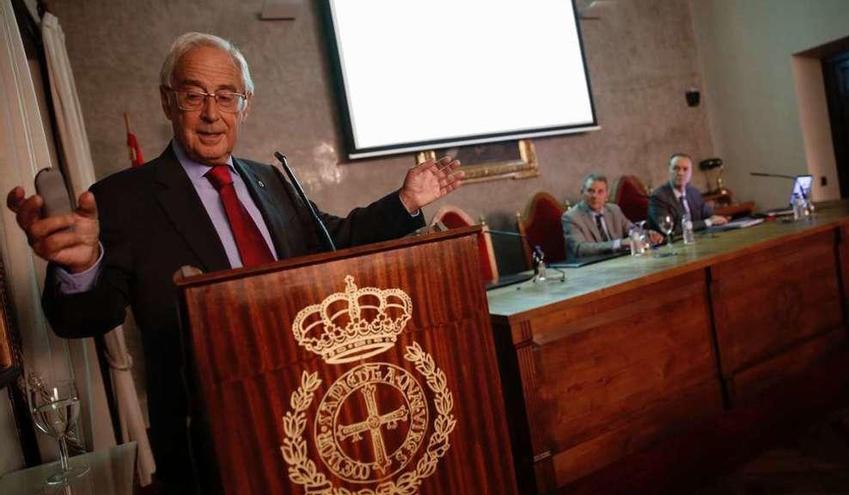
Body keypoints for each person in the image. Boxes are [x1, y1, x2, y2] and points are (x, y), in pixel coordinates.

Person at [6, 32, 462, 491]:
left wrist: (405, 202)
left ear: (245, 105)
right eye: (193, 95)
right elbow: (84, 318)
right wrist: (81, 267)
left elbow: (333, 239)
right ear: (168, 102)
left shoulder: (269, 179)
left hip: (307, 414)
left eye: (226, 96)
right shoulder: (122, 198)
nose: (211, 113)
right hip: (207, 442)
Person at [562, 173, 662, 257]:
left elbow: (631, 229)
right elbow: (580, 249)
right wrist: (617, 244)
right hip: (590, 269)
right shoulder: (571, 217)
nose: (594, 196)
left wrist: (647, 235)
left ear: (606, 195)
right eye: (590, 191)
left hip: (619, 262)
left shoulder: (614, 210)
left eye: (600, 192)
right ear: (582, 192)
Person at [647, 153, 728, 234]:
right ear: (669, 170)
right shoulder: (658, 197)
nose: (680, 173)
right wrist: (708, 222)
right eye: (676, 168)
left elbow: (709, 215)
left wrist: (716, 218)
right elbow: (671, 229)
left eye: (685, 169)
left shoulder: (693, 192)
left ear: (690, 172)